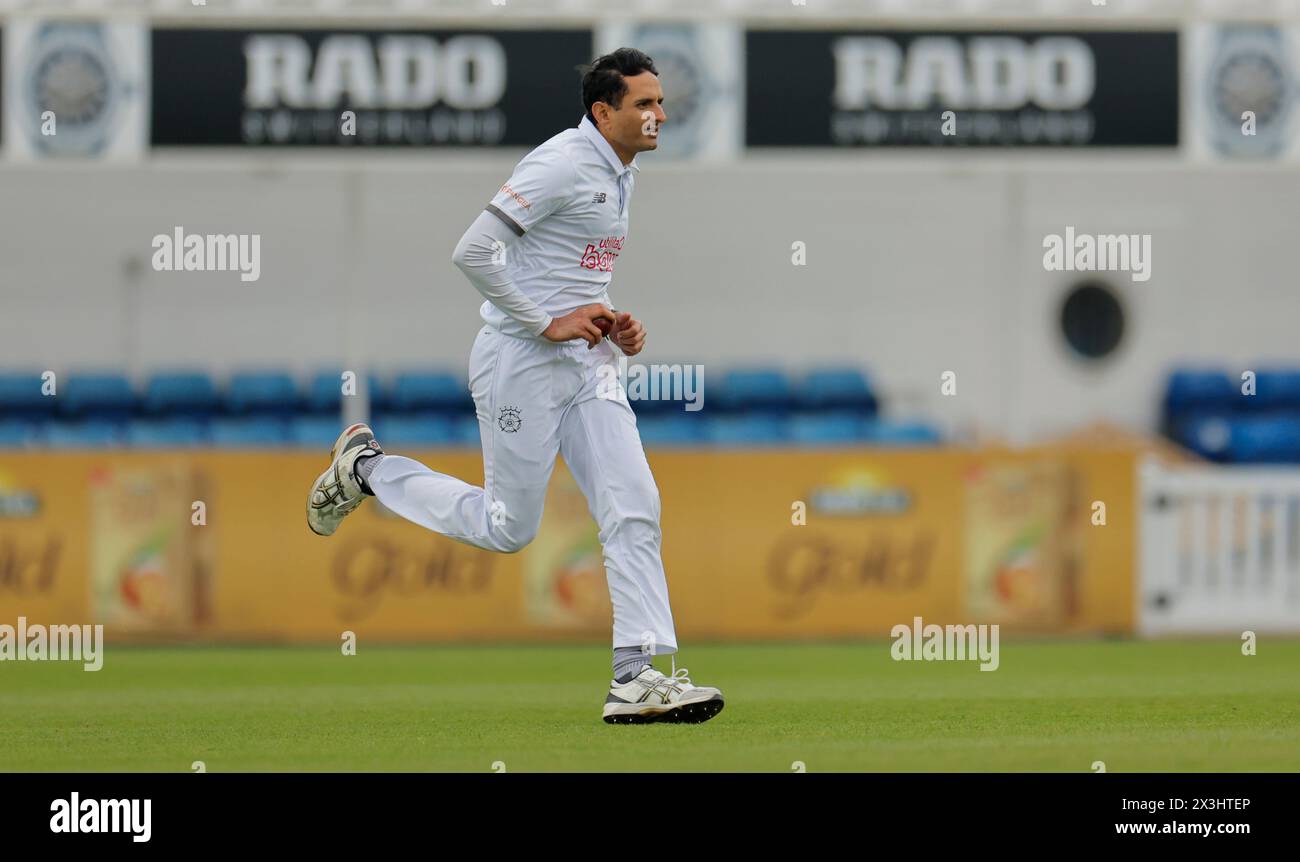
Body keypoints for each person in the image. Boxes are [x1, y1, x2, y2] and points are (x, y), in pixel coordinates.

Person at [306, 48, 723, 725]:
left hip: (589, 367)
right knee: (508, 529)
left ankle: (638, 677)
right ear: (602, 111)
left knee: (634, 504)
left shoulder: (623, 171)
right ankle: (369, 471)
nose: (659, 115)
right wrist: (546, 322)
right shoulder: (561, 162)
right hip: (519, 362)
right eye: (644, 104)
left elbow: (570, 268)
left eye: (659, 102)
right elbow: (472, 250)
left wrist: (609, 319)